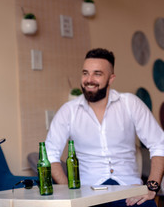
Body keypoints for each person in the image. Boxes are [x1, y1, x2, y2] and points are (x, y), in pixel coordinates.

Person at [45, 48, 164, 207]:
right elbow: (50, 154)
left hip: (130, 190)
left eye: (97, 74)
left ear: (111, 78)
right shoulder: (68, 111)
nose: (89, 79)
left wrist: (152, 187)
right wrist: (69, 191)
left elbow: (159, 144)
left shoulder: (130, 103)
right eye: (85, 73)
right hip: (88, 194)